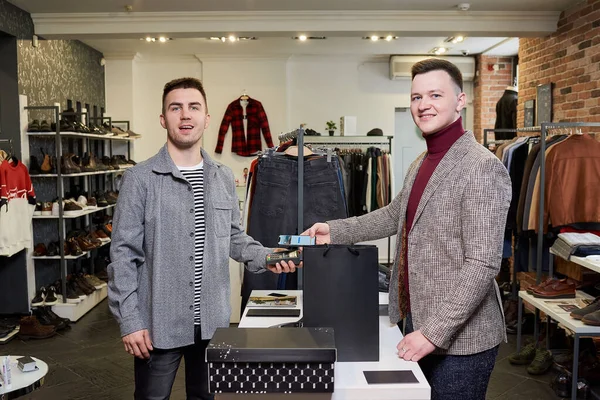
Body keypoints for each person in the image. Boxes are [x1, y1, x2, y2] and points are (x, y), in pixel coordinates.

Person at [301, 59, 511, 399]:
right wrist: (334, 232)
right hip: (417, 319)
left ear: (460, 100)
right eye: (416, 97)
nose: (423, 105)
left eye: (435, 95)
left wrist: (432, 333)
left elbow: (482, 264)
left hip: (461, 340)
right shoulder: (422, 161)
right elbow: (393, 215)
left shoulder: (483, 167)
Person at [107, 77, 296, 400]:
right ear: (163, 118)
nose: (185, 115)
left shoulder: (222, 176)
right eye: (175, 107)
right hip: (157, 325)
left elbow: (232, 237)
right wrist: (130, 320)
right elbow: (123, 254)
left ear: (206, 118)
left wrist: (266, 256)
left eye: (194, 107)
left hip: (212, 323)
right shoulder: (139, 179)